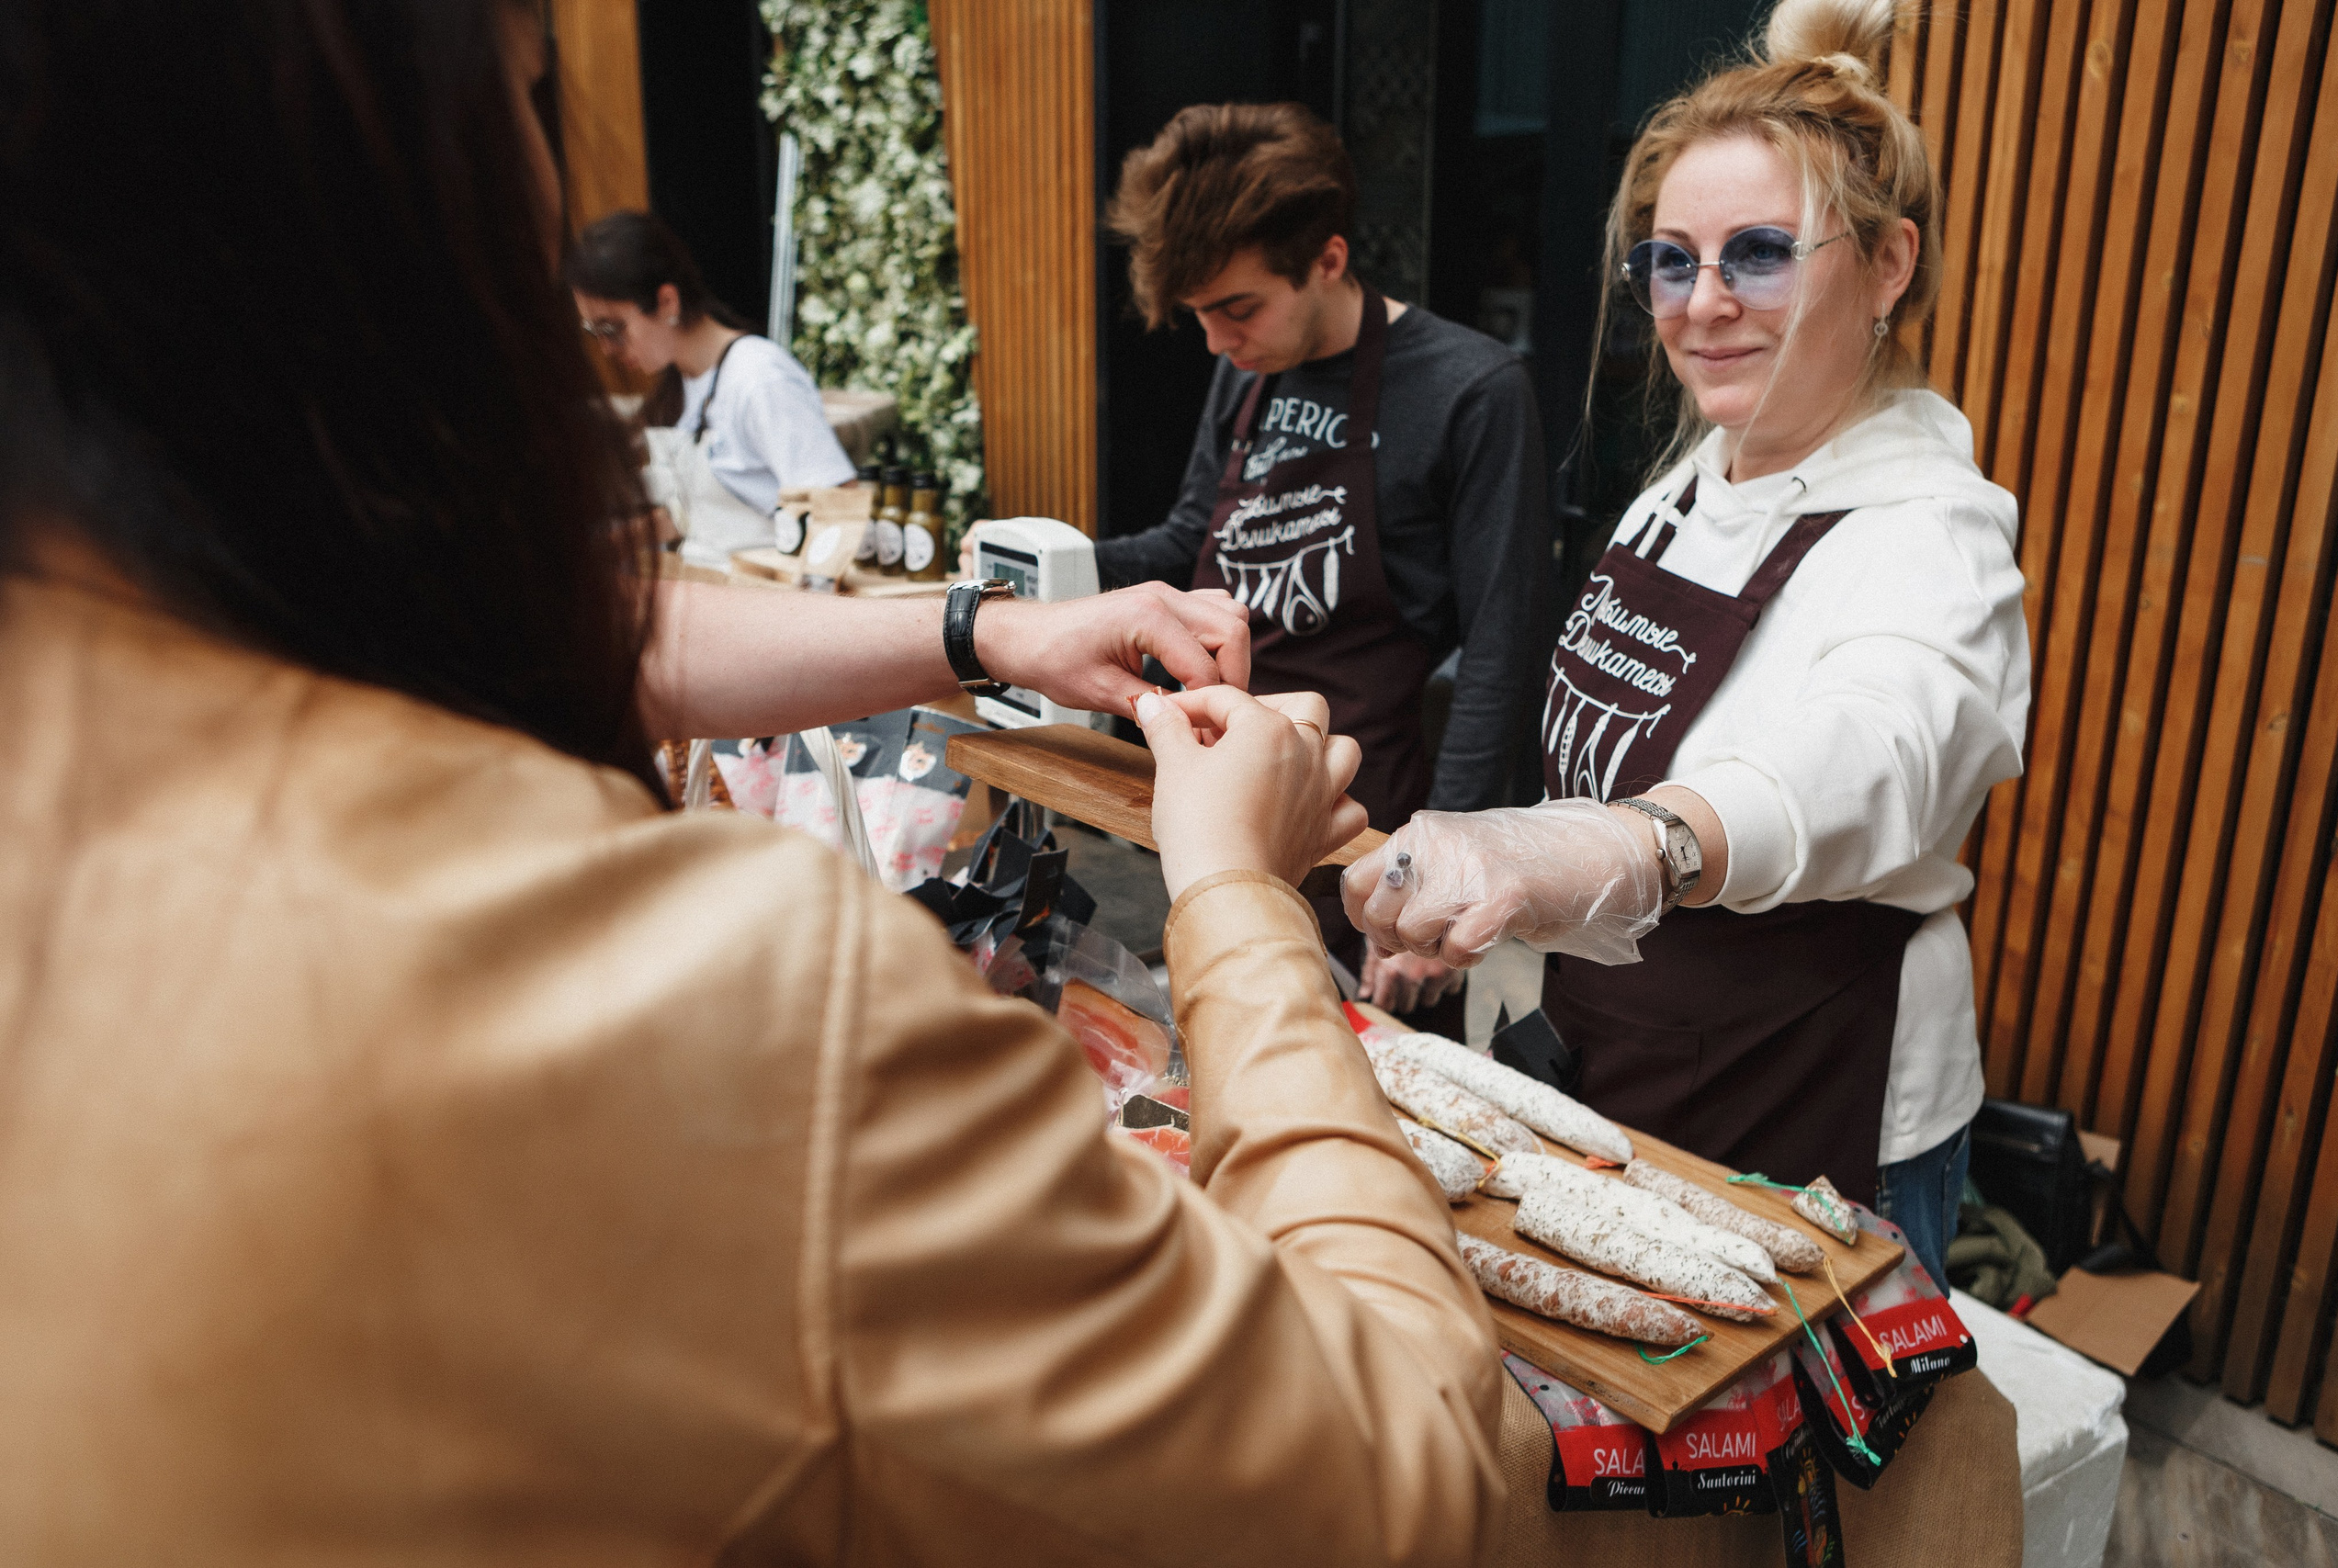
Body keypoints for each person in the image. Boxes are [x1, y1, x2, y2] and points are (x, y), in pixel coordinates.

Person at [0, 4, 1511, 1561]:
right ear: (376, 193)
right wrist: (1236, 891)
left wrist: (986, 624)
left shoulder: (1469, 392)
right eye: (523, 93)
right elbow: (1404, 1472)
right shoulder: (729, 989)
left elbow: (604, 626)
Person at [1345, 0, 2030, 1293]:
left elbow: (1879, 751)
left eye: (1759, 254)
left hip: (1810, 1102)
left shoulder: (1930, 530)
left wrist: (1625, 843)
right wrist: (1495, 892)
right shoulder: (1693, 477)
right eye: (1671, 260)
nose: (1702, 306)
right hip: (1614, 1054)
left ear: (1887, 266)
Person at [1090, 103, 1556, 1021]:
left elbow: (1502, 656)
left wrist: (1436, 883)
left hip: (1366, 844)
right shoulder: (1244, 366)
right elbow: (1193, 538)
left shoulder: (1471, 391)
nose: (1219, 343)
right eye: (1200, 318)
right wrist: (1027, 573)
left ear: (1329, 260)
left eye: (1237, 309)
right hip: (1222, 816)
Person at [569, 209, 853, 570]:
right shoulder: (684, 382)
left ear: (667, 301)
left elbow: (839, 508)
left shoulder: (759, 378)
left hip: (762, 606)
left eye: (612, 329)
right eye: (594, 334)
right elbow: (703, 514)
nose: (607, 350)